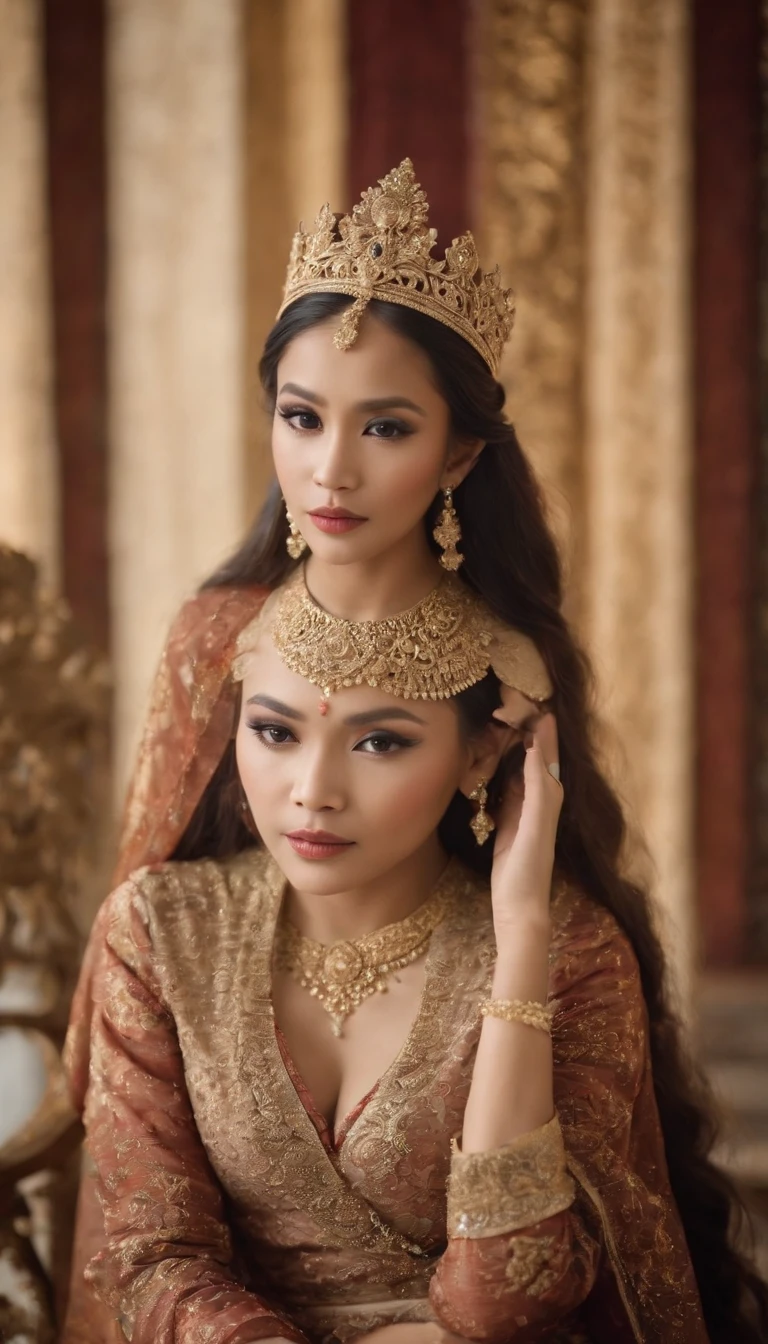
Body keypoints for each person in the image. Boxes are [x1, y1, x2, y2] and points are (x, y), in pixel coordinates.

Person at [62, 160, 767, 1343]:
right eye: (302, 416)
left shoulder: (507, 667)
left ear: (456, 459)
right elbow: (164, 838)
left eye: (384, 426)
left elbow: (516, 1300)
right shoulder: (218, 647)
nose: (331, 470)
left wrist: (524, 929)